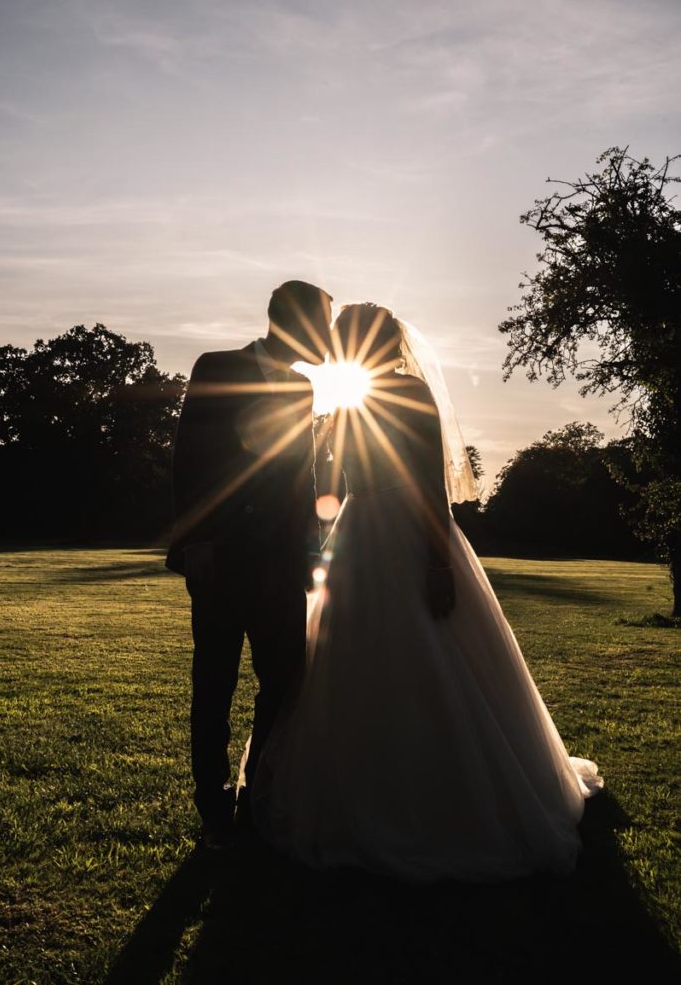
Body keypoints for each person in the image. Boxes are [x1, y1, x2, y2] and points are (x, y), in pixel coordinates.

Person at [249, 302, 604, 883]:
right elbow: (330, 485)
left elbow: (431, 489)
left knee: (426, 656)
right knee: (358, 663)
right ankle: (370, 791)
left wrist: (437, 562)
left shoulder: (410, 395)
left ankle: (440, 799)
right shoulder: (345, 402)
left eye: (345, 337)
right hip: (358, 537)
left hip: (406, 533)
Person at [165, 280, 333, 849]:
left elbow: (300, 476)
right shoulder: (216, 365)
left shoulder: (303, 387)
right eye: (324, 325)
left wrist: (311, 550)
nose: (330, 339)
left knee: (282, 683)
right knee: (213, 682)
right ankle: (214, 814)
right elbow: (190, 459)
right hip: (219, 557)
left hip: (281, 562)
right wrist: (196, 542)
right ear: (294, 322)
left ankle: (258, 792)